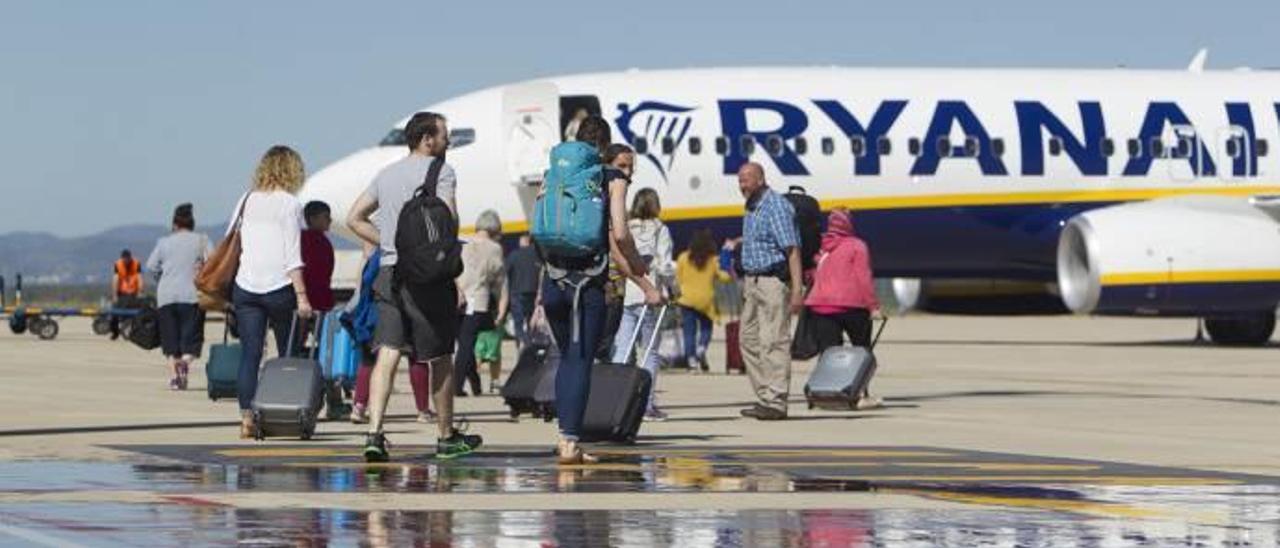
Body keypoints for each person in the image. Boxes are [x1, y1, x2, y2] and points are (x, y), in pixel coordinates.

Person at [346, 111, 482, 462]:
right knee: (439, 356)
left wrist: (388, 242)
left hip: (390, 273)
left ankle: (374, 434)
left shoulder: (386, 174)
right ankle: (446, 437)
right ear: (427, 140)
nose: (448, 141)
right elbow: (450, 224)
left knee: (388, 353)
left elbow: (353, 218)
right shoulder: (443, 172)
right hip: (428, 280)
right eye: (444, 135)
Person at [538, 116, 662, 465]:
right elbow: (620, 234)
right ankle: (570, 442)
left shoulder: (552, 176)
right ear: (605, 146)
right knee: (581, 361)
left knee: (567, 359)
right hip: (586, 283)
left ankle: (565, 433)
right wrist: (640, 269)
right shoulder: (612, 178)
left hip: (552, 280)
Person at [230, 145, 313, 438]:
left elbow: (233, 239)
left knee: (250, 354)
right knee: (287, 357)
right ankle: (282, 411)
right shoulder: (289, 204)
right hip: (279, 288)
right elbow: (292, 256)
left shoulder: (246, 199)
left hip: (245, 286)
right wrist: (303, 296)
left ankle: (246, 418)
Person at [735, 162, 803, 421]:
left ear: (761, 179)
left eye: (747, 180)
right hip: (752, 283)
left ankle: (776, 400)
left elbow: (792, 249)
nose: (742, 185)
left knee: (774, 341)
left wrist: (797, 290)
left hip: (773, 283)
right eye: (740, 180)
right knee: (748, 339)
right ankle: (765, 395)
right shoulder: (751, 207)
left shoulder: (775, 206)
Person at [804, 208, 884, 409]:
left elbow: (811, 275)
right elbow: (863, 278)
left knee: (828, 355)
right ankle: (860, 395)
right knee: (861, 352)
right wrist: (873, 306)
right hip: (852, 306)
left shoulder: (822, 247)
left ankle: (824, 395)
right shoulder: (857, 246)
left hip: (820, 306)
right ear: (848, 224)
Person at [609, 187, 674, 421]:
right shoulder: (660, 229)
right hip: (651, 294)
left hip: (629, 293)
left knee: (623, 348)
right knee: (649, 352)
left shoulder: (626, 227)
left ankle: (614, 400)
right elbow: (665, 264)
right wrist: (671, 288)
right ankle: (645, 405)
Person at [145, 203, 210, 390]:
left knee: (170, 342)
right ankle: (185, 363)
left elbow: (151, 266)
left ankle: (175, 378)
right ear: (192, 224)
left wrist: (162, 278)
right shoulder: (202, 240)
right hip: (192, 296)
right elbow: (213, 261)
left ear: (174, 224)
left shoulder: (163, 243)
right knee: (192, 341)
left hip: (166, 296)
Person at [455, 210, 508, 397]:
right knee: (467, 344)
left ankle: (475, 385)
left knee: (464, 342)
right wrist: (501, 309)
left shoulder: (463, 244)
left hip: (457, 298)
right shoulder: (494, 248)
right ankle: (456, 385)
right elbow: (499, 281)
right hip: (477, 299)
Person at [596, 144, 637, 360]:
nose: (627, 173)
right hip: (610, 285)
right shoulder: (613, 195)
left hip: (604, 282)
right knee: (603, 347)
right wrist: (644, 281)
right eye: (621, 166)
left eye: (631, 167)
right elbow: (618, 240)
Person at [675, 228, 732, 374]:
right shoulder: (712, 260)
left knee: (689, 332)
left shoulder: (683, 258)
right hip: (706, 301)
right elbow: (724, 277)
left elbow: (677, 279)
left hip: (686, 299)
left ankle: (691, 362)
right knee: (706, 328)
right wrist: (728, 260)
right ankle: (701, 348)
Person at [503, 234, 541, 349]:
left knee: (518, 322)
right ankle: (530, 343)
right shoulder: (537, 256)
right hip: (534, 292)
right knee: (531, 320)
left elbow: (505, 271)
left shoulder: (514, 255)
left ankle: (522, 343)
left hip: (517, 291)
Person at [301, 201, 336, 313]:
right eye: (326, 216)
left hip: (312, 295)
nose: (330, 220)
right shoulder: (318, 241)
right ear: (312, 219)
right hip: (318, 297)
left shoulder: (301, 238)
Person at [109, 249, 144, 340]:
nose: (126, 261)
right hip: (122, 293)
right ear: (122, 258)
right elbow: (115, 280)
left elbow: (140, 279)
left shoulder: (136, 264)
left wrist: (140, 292)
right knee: (114, 312)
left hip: (134, 293)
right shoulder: (118, 264)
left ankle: (138, 332)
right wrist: (114, 295)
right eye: (124, 259)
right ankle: (115, 332)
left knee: (139, 313)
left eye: (128, 259)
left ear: (130, 258)